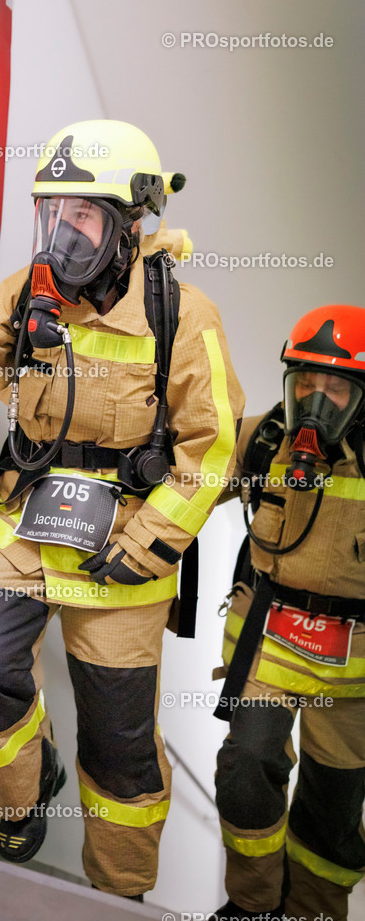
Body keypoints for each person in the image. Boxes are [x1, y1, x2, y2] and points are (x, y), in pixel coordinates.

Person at [0, 119, 244, 899]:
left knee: (120, 752)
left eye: (82, 216)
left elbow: (212, 448)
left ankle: (116, 897)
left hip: (122, 550)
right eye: (51, 213)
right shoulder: (30, 292)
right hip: (26, 522)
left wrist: (154, 542)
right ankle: (27, 794)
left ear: (130, 225)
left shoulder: (182, 315)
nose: (61, 233)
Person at [212, 305, 365, 921]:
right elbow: (189, 480)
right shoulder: (267, 439)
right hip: (269, 645)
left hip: (351, 671)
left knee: (332, 809)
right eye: (305, 381)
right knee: (245, 769)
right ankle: (252, 906)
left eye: (337, 387)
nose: (317, 400)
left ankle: (313, 914)